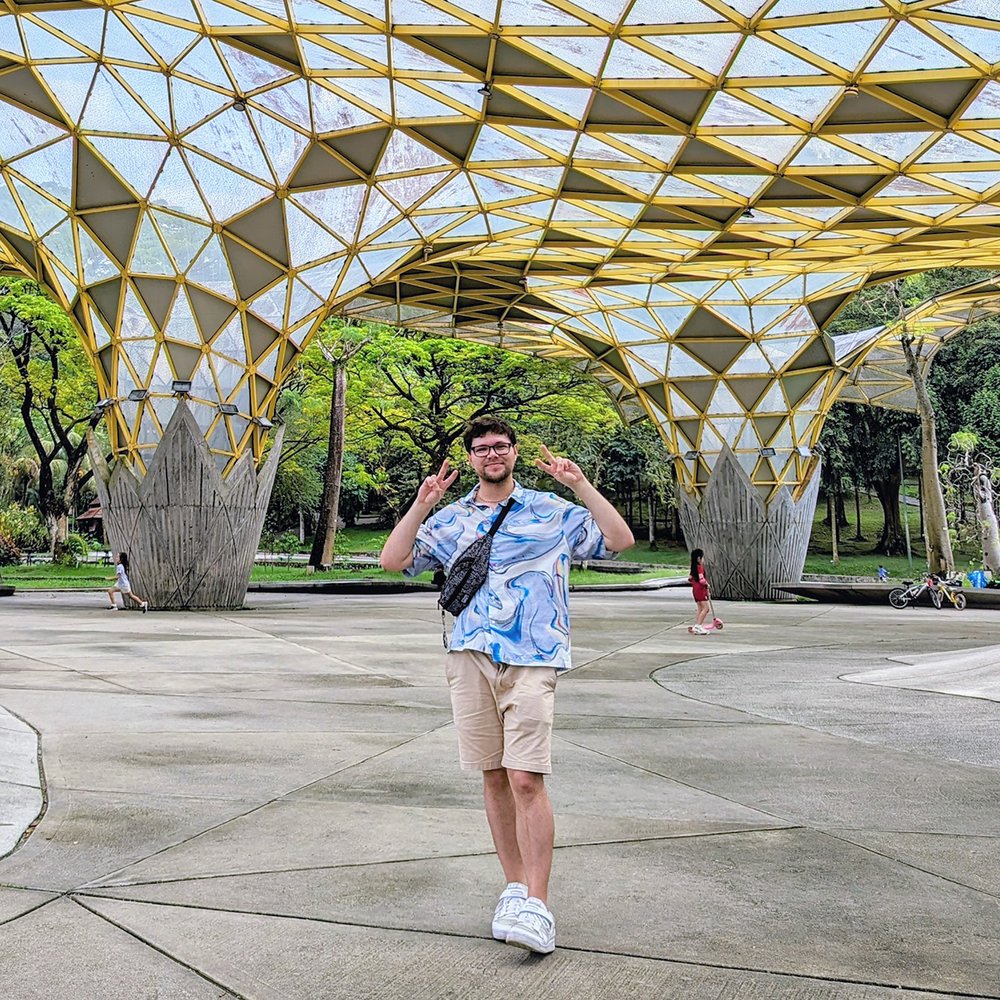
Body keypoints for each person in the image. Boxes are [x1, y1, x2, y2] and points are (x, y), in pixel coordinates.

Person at [380, 415, 633, 955]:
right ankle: (515, 889)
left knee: (525, 779)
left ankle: (538, 906)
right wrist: (422, 502)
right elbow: (393, 560)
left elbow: (619, 540)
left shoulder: (552, 511)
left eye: (500, 446)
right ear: (470, 457)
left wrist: (580, 485)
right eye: (481, 449)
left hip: (534, 657)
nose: (491, 455)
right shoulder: (450, 520)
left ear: (514, 452)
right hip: (470, 656)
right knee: (493, 777)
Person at [689, 549, 711, 634]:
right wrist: (707, 585)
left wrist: (695, 583)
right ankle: (698, 626)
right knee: (706, 608)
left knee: (700, 608)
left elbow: (690, 578)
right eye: (702, 558)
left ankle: (696, 625)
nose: (703, 560)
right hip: (701, 590)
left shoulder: (693, 567)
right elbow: (702, 580)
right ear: (699, 558)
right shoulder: (699, 567)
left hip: (695, 590)